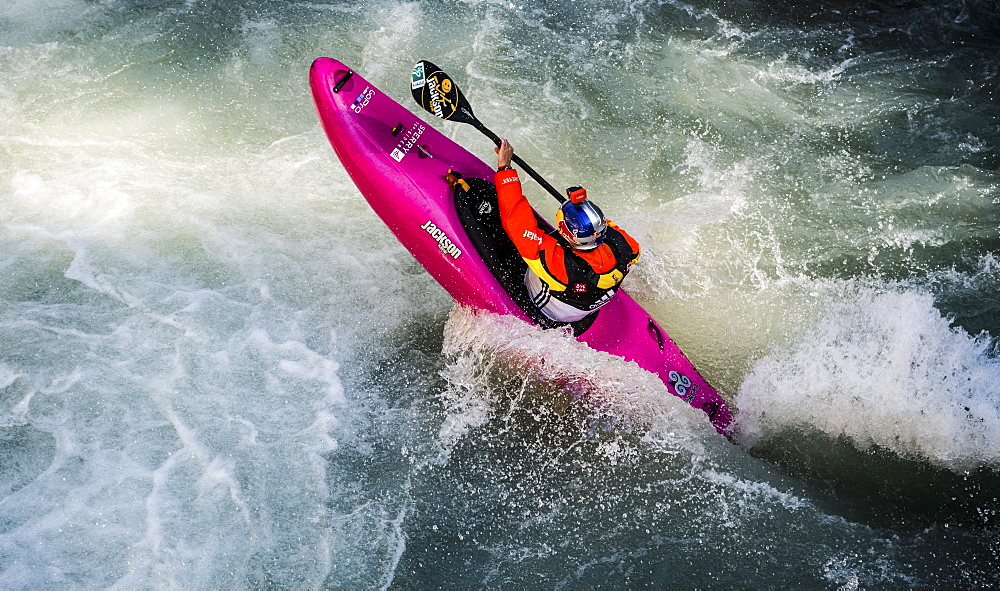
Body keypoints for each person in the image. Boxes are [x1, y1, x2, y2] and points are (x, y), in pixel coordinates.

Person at [492, 138, 641, 323]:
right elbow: (625, 245)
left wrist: (505, 168)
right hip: (586, 302)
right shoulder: (626, 244)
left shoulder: (555, 261)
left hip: (551, 310)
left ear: (569, 235)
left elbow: (515, 220)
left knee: (523, 245)